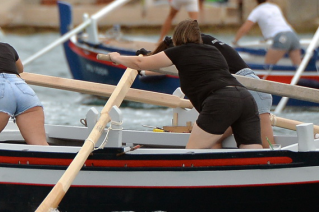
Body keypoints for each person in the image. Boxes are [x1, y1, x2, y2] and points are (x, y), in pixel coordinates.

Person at [110, 20, 263, 150]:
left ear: (177, 36)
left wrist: (117, 58)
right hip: (246, 98)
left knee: (191, 153)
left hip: (222, 100)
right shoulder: (213, 51)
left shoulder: (179, 51)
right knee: (253, 153)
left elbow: (140, 62)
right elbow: (156, 64)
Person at [232, 0, 301, 68]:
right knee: (298, 68)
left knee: (266, 68)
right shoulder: (275, 7)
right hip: (293, 35)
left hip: (282, 38)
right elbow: (275, 24)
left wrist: (235, 41)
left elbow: (245, 28)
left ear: (256, 0)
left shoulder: (257, 10)